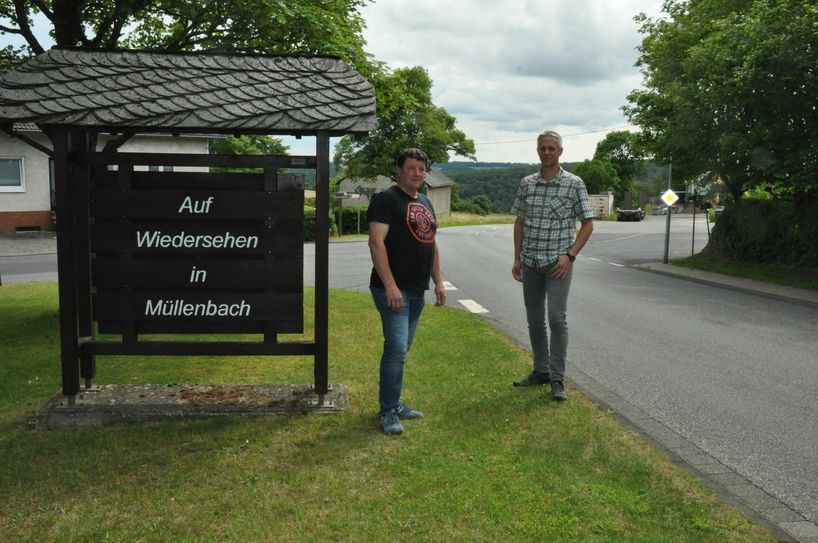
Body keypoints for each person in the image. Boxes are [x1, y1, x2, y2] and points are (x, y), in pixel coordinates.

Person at [368, 147, 446, 434]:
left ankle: (395, 403)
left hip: (416, 290)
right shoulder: (385, 200)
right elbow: (376, 243)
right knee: (396, 348)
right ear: (399, 170)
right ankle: (388, 411)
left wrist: (438, 281)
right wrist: (390, 285)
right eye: (411, 168)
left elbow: (431, 242)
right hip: (393, 290)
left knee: (403, 348)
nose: (417, 173)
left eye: (421, 169)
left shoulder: (425, 200)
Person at [511, 130, 594, 401]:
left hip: (558, 264)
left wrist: (569, 256)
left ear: (560, 152)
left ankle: (557, 379)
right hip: (531, 262)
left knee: (557, 319)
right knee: (535, 321)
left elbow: (587, 224)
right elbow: (520, 222)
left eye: (551, 148)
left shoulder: (574, 184)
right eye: (542, 148)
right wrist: (517, 258)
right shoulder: (527, 184)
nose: (547, 152)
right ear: (538, 151)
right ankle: (541, 371)